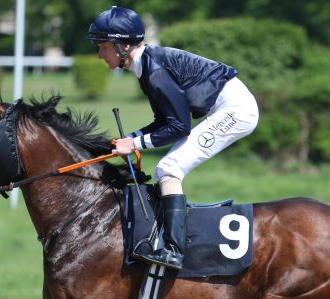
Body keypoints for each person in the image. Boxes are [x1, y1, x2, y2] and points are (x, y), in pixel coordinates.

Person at [87, 6, 259, 270]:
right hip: (228, 106)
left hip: (236, 110)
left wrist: (133, 143)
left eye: (103, 47)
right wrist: (128, 139)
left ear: (122, 46)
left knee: (169, 167)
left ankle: (174, 251)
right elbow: (164, 122)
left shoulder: (154, 71)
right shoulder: (146, 67)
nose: (99, 54)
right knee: (167, 166)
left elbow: (179, 127)